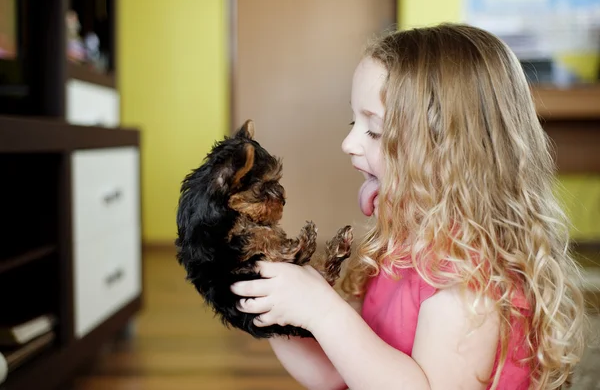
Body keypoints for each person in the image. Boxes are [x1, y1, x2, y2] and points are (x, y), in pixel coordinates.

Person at [230, 23, 586, 389]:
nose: (348, 143)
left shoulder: (467, 290)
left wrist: (323, 310)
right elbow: (335, 373)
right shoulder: (405, 247)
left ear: (450, 155)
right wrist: (275, 306)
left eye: (374, 131)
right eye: (355, 121)